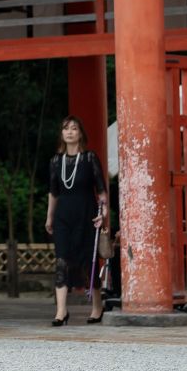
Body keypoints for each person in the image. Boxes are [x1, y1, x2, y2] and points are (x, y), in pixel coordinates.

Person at [45, 115, 108, 326]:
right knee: (61, 260)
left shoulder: (90, 158)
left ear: (80, 133)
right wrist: (49, 217)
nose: (70, 132)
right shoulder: (55, 161)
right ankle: (61, 311)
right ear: (62, 134)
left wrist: (104, 212)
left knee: (87, 262)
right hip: (63, 215)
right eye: (66, 129)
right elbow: (53, 192)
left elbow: (101, 190)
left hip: (86, 213)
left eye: (74, 128)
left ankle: (97, 305)